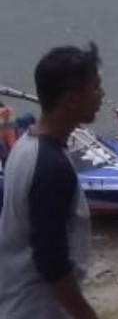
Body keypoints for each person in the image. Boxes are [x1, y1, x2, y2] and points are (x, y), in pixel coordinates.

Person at [0, 43, 104, 319]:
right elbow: (51, 261)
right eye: (95, 87)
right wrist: (84, 313)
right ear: (71, 99)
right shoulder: (52, 167)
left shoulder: (24, 146)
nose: (101, 95)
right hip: (37, 309)